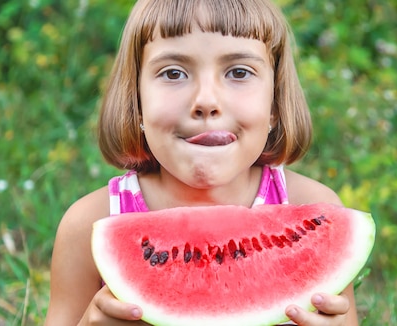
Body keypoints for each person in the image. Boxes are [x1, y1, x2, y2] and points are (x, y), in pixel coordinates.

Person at [45, 0, 359, 325]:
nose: (206, 101)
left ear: (275, 104)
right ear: (136, 102)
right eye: (173, 73)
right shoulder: (90, 226)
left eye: (239, 72)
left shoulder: (318, 212)